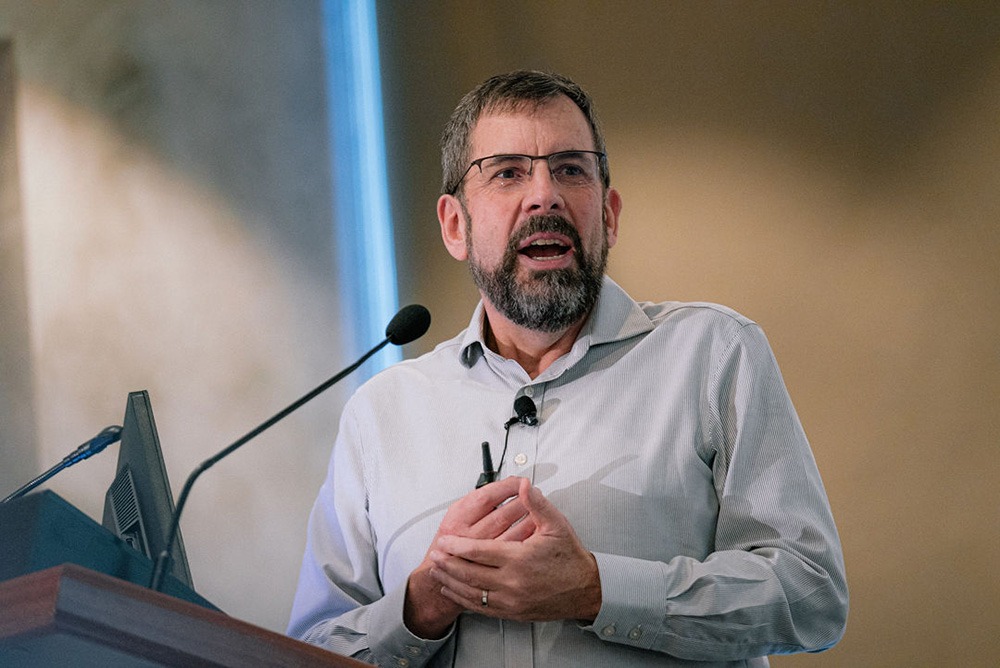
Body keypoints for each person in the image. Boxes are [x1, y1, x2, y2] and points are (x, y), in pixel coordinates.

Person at [287, 70, 848, 667]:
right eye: (507, 172)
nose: (544, 195)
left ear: (608, 215)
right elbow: (309, 649)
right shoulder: (383, 412)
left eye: (571, 169)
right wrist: (423, 602)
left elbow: (810, 594)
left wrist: (597, 590)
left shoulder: (713, 355)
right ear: (456, 226)